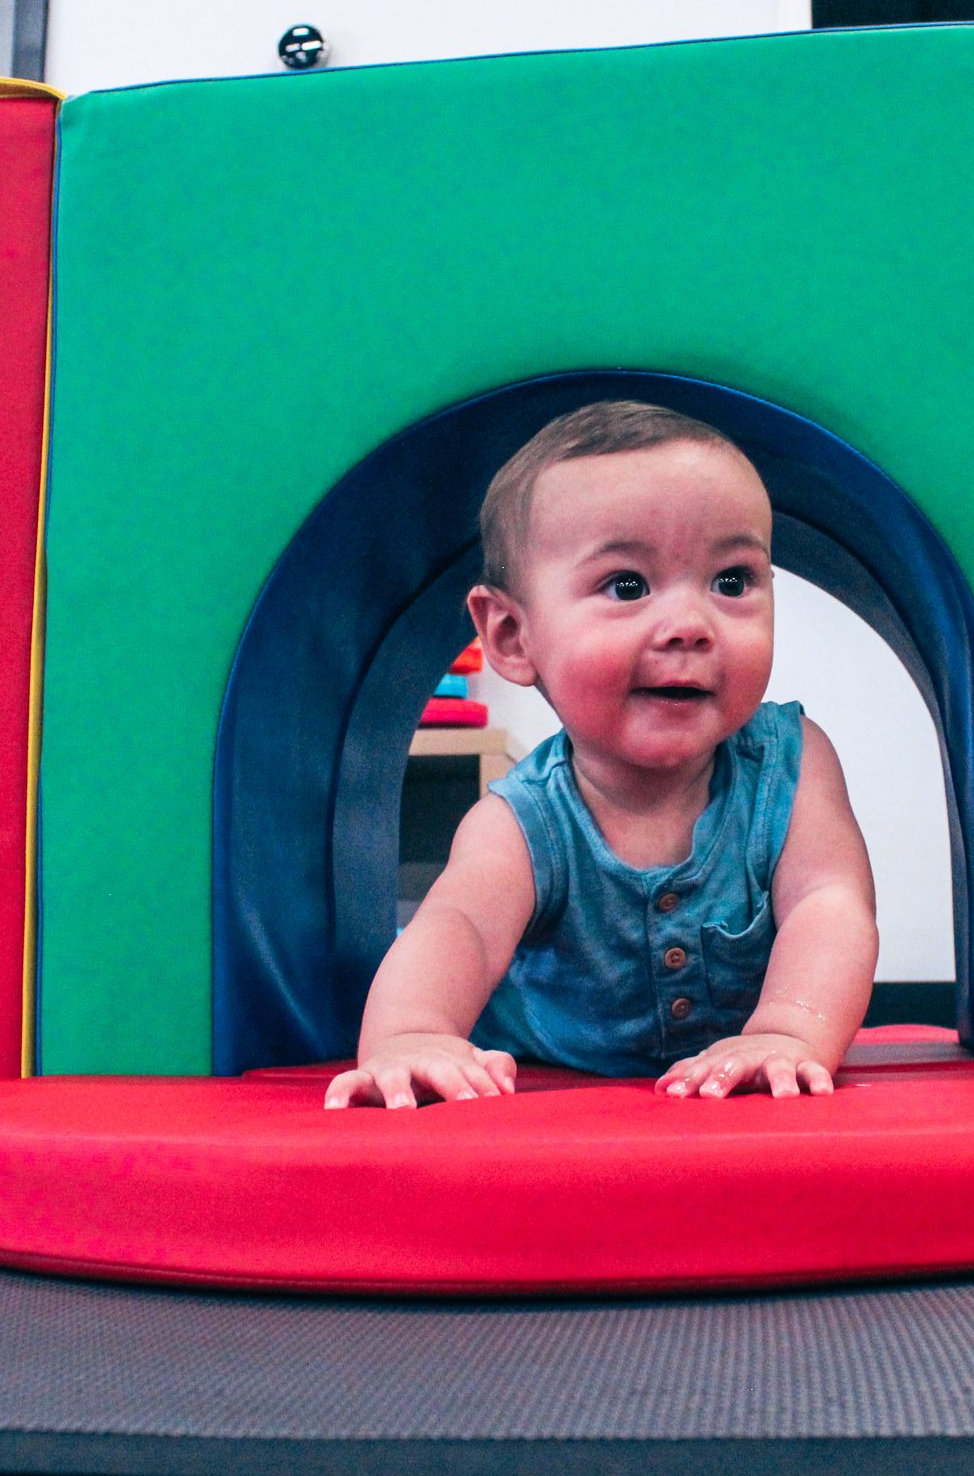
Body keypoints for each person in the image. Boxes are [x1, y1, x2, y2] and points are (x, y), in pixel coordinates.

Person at [324, 401, 880, 1109]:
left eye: (732, 580)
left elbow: (829, 904)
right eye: (627, 585)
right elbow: (456, 926)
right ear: (513, 637)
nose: (688, 625)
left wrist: (789, 1031)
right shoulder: (522, 822)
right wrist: (411, 1034)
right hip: (561, 1082)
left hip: (735, 1094)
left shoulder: (791, 766)